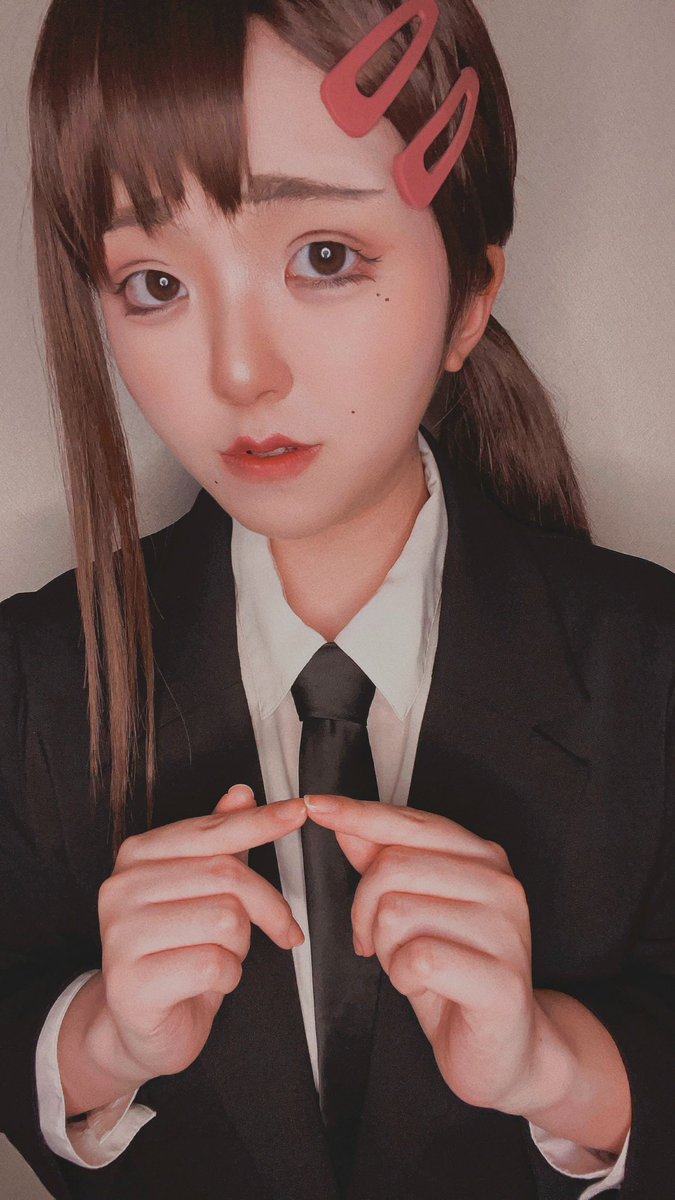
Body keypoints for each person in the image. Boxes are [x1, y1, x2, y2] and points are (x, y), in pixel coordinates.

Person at [1, 0, 673, 1197]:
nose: (239, 372)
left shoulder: (653, 668)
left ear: (471, 295)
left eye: (323, 257)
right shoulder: (31, 681)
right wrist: (97, 1041)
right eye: (154, 281)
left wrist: (560, 1069)